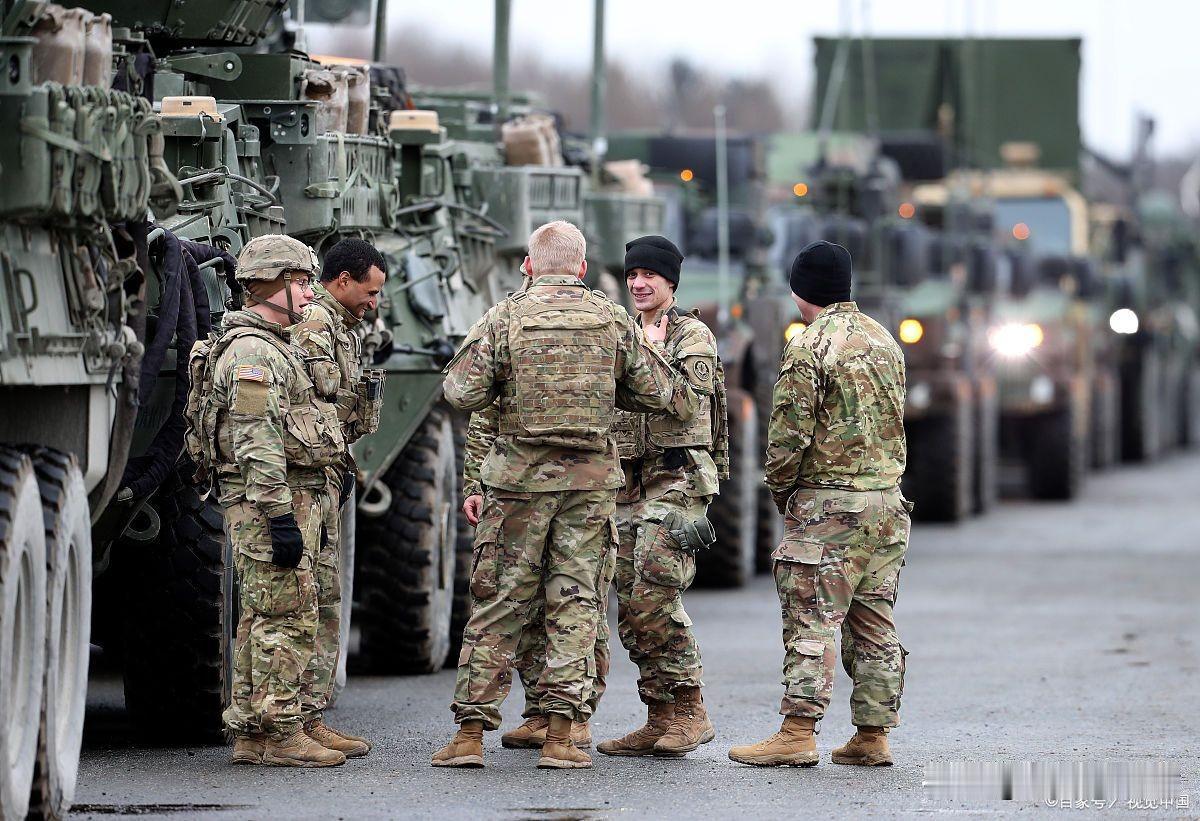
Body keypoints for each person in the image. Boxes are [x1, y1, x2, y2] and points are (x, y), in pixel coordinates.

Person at [432, 220, 676, 770]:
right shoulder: (613, 319)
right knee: (576, 603)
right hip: (589, 487)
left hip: (517, 484)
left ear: (528, 265)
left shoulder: (504, 317)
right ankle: (561, 736)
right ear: (583, 268)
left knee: (499, 603)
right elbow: (658, 394)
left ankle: (469, 736)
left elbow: (460, 391)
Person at [493, 235, 728, 758]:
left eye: (650, 275)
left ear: (671, 282)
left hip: (674, 479)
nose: (639, 284)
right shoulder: (618, 326)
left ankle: (689, 709)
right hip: (619, 481)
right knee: (604, 600)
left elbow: (688, 405)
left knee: (651, 594)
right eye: (632, 275)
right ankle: (638, 716)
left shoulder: (691, 335)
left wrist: (649, 352)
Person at [727, 240, 911, 768]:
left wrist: (783, 492)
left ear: (799, 289)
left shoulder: (809, 345)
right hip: (886, 504)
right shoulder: (884, 340)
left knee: (811, 619)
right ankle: (872, 735)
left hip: (830, 506)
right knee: (873, 621)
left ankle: (797, 731)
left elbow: (789, 434)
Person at [192, 234, 347, 767]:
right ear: (268, 286)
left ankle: (254, 730)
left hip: (286, 496)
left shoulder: (272, 343)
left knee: (262, 615)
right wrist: (279, 515)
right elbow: (256, 439)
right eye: (300, 283)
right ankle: (280, 732)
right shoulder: (253, 352)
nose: (309, 294)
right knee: (286, 615)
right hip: (271, 501)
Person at [290, 238, 387, 758]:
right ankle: (290, 721)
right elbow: (308, 402)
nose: (374, 302)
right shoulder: (314, 325)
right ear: (343, 280)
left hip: (327, 472)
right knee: (304, 599)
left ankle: (309, 717)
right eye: (369, 291)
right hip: (305, 479)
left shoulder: (340, 327)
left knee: (325, 596)